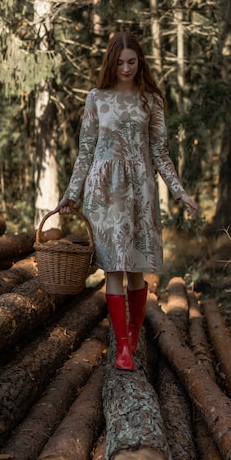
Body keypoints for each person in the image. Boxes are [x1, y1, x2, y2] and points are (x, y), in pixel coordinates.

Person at [55, 31, 198, 371]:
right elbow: (85, 151)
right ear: (110, 62)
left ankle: (134, 330)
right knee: (114, 268)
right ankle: (121, 347)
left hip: (140, 190)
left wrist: (179, 191)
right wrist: (71, 195)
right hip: (104, 192)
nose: (125, 67)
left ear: (140, 61)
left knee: (136, 269)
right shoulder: (96, 98)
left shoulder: (151, 99)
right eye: (119, 62)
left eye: (131, 61)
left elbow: (160, 152)